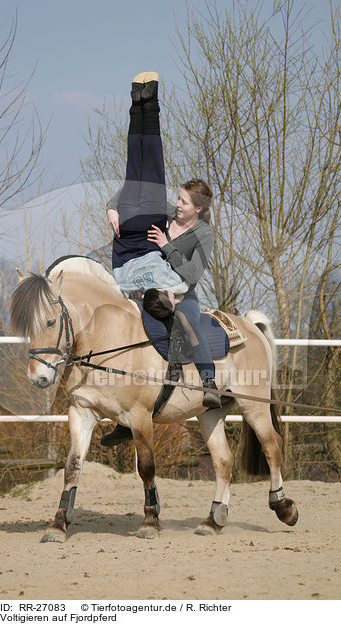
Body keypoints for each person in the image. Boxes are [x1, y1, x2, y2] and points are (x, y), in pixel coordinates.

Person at [102, 73, 220, 447]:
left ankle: (209, 381)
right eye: (180, 199)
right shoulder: (167, 211)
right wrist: (110, 207)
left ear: (199, 210)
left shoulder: (203, 233)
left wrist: (168, 244)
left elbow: (191, 274)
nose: (179, 203)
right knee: (140, 165)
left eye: (184, 202)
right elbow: (132, 187)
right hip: (144, 268)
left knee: (189, 320)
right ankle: (143, 102)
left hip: (182, 292)